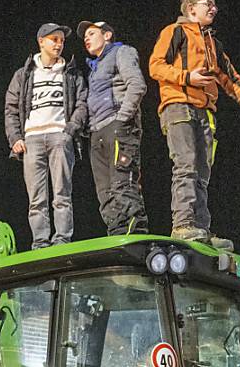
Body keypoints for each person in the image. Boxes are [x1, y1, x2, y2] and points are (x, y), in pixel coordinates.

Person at [149, 0, 240, 249]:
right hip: (179, 106)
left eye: (215, 5)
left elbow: (230, 78)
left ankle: (201, 228)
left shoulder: (212, 43)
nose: (214, 8)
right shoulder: (175, 31)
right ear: (191, 8)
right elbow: (155, 65)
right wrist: (187, 77)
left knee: (202, 173)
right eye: (208, 3)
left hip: (205, 112)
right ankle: (182, 225)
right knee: (186, 166)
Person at [5, 23, 88, 249]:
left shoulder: (71, 73)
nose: (59, 44)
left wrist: (70, 130)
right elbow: (11, 108)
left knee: (62, 194)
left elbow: (81, 104)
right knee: (36, 199)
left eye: (61, 40)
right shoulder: (24, 74)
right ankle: (40, 243)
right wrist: (15, 138)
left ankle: (62, 240)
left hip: (59, 137)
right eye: (54, 39)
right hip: (32, 139)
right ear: (41, 41)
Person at [78, 20, 149, 236]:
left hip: (118, 127)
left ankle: (134, 231)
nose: (86, 39)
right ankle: (117, 232)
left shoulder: (122, 52)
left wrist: (122, 118)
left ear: (107, 35)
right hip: (98, 131)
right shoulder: (95, 67)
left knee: (123, 182)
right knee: (105, 191)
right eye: (84, 37)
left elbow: (137, 84)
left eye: (91, 33)